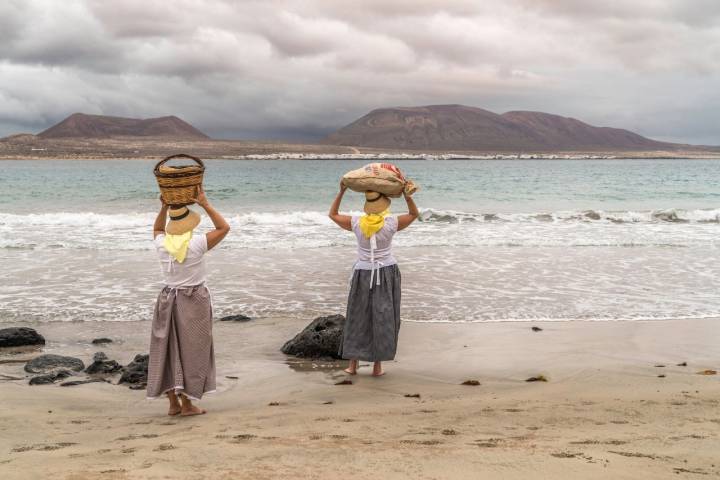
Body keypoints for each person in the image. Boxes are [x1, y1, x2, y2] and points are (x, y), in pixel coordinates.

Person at [147, 186, 230, 416]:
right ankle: (188, 405)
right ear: (190, 225)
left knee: (167, 348)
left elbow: (156, 228)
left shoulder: (162, 244)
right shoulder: (196, 245)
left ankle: (173, 404)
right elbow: (224, 227)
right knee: (192, 351)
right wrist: (205, 203)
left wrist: (163, 207)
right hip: (192, 299)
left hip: (167, 298)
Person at [329, 181, 419, 376]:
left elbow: (333, 214)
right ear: (385, 205)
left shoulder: (356, 223)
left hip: (363, 273)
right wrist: (407, 194)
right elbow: (414, 214)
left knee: (357, 317)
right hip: (387, 272)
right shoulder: (391, 223)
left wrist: (341, 191)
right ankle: (377, 367)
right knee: (383, 318)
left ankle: (353, 365)